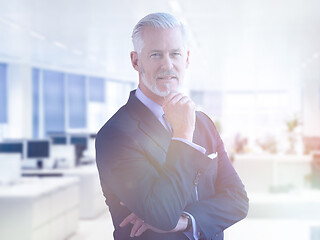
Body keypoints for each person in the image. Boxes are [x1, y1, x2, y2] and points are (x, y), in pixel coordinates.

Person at [96, 12, 249, 240]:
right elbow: (163, 215)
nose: (167, 65)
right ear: (136, 61)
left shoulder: (204, 123)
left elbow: (238, 201)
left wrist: (186, 220)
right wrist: (183, 135)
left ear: (186, 58)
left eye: (175, 54)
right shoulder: (115, 135)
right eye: (156, 54)